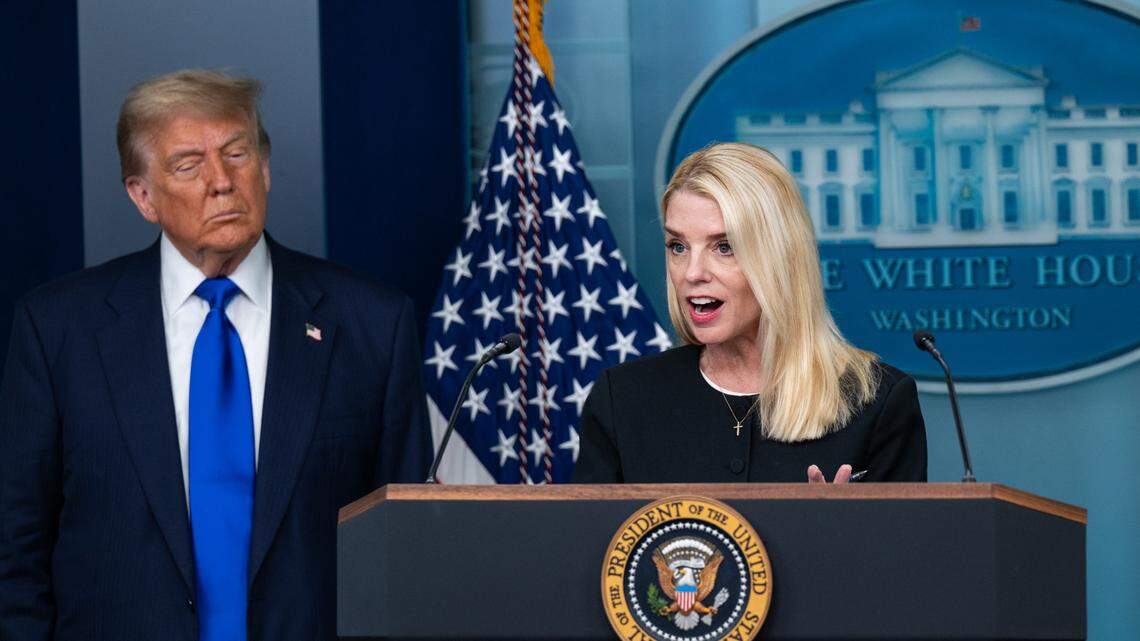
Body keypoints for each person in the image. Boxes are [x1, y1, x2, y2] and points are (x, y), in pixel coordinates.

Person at [0, 69, 431, 641]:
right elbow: (17, 554)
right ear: (143, 196)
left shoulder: (372, 324)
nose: (222, 182)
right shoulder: (57, 330)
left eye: (237, 154)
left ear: (265, 167)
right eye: (188, 165)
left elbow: (407, 555)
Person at [572, 142, 926, 484]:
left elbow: (901, 528)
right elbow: (591, 527)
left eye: (724, 247)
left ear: (780, 257)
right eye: (678, 246)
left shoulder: (876, 402)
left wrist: (837, 521)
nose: (692, 273)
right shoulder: (622, 398)